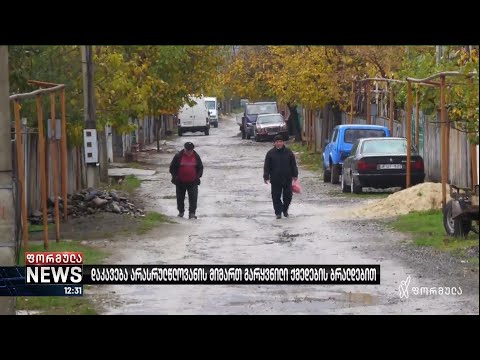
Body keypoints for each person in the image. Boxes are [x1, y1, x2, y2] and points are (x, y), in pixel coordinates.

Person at [263, 135, 299, 219]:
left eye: (280, 141)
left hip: (287, 178)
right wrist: (266, 176)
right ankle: (278, 213)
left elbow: (293, 164)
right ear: (274, 143)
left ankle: (285, 209)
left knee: (288, 196)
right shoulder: (270, 153)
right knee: (276, 196)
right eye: (277, 142)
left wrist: (295, 175)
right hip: (275, 179)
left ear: (283, 142)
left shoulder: (288, 152)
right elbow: (266, 166)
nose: (278, 143)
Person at [169, 142, 203, 219]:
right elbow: (172, 168)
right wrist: (175, 176)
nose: (189, 152)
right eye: (187, 150)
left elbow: (200, 167)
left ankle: (192, 213)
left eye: (191, 150)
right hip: (180, 181)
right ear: (184, 149)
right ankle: (181, 211)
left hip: (193, 181)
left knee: (193, 198)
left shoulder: (196, 156)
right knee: (180, 197)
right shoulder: (178, 156)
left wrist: (198, 176)